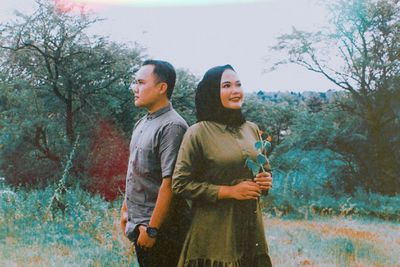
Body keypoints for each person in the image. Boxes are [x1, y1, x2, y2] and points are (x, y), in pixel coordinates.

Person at [172, 64, 273, 267]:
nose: (235, 91)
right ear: (212, 92)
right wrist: (229, 191)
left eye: (238, 84)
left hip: (250, 231)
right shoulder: (198, 132)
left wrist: (265, 181)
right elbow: (180, 184)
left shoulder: (251, 129)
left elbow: (264, 169)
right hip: (214, 236)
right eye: (226, 85)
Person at [120, 59, 190, 267]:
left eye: (141, 83)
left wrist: (152, 229)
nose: (135, 88)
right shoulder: (142, 123)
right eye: (136, 83)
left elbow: (169, 183)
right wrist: (125, 211)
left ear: (162, 88)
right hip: (139, 225)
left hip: (163, 230)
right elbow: (136, 172)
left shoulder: (173, 126)